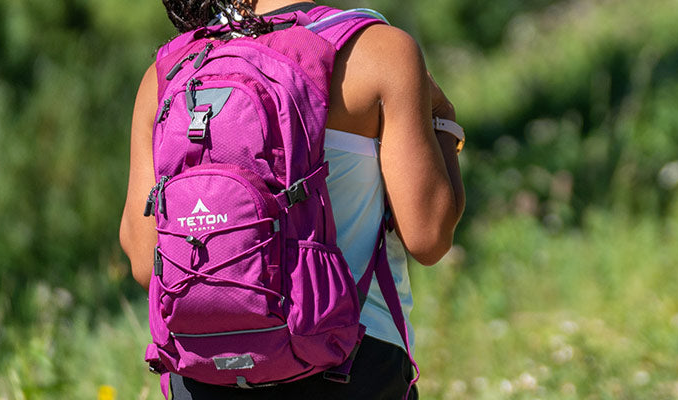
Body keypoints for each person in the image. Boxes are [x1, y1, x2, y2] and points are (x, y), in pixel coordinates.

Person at [117, 0, 464, 397]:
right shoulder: (378, 51)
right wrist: (444, 120)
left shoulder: (171, 70)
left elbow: (146, 263)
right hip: (351, 362)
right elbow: (430, 238)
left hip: (207, 371)